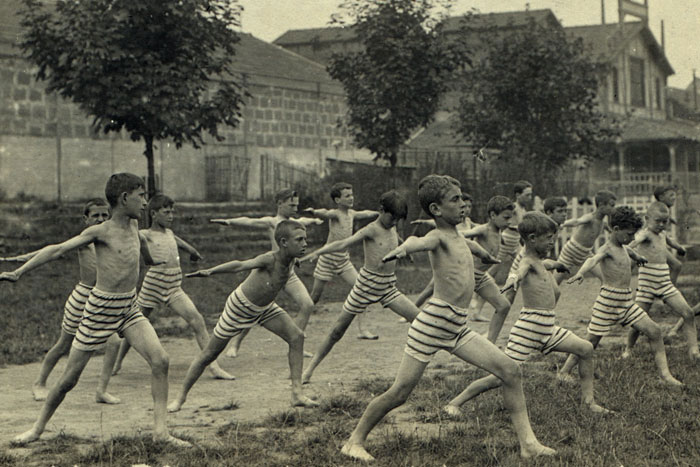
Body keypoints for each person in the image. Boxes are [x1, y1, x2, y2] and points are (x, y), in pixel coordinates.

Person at [340, 175, 555, 462]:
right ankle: (353, 441)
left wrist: (486, 257)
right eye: (455, 200)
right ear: (436, 210)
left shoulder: (458, 236)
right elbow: (419, 241)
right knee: (400, 392)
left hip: (456, 326)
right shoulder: (438, 236)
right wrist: (403, 249)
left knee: (510, 370)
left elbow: (470, 248)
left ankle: (528, 444)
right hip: (432, 325)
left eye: (463, 198)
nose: (463, 204)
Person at [2, 173, 188, 446]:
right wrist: (19, 272)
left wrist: (152, 262)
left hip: (128, 307)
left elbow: (142, 248)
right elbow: (57, 249)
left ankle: (160, 432)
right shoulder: (101, 231)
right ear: (125, 199)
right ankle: (37, 429)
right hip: (100, 309)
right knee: (69, 380)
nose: (146, 203)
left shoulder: (135, 228)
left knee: (161, 361)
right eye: (141, 196)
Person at [444, 212, 609, 418]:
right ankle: (454, 402)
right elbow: (521, 271)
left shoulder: (540, 261)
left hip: (548, 328)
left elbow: (546, 264)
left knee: (585, 349)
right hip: (528, 329)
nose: (552, 241)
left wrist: (557, 264)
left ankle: (589, 402)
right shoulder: (527, 261)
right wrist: (514, 278)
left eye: (553, 237)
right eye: (548, 238)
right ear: (532, 239)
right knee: (501, 375)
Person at [167, 220, 319, 412]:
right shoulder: (269, 259)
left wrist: (296, 257)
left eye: (305, 239)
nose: (305, 244)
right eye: (299, 240)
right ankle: (180, 398)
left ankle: (297, 394)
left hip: (264, 309)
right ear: (283, 242)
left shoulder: (291, 258)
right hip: (239, 308)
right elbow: (240, 265)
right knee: (209, 354)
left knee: (297, 337)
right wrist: (211, 271)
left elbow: (292, 261)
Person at [1, 199, 121, 403]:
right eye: (95, 216)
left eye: (104, 215)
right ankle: (39, 383)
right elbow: (52, 250)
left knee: (114, 342)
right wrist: (19, 266)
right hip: (83, 298)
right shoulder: (84, 240)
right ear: (86, 219)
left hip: (103, 299)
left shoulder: (112, 239)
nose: (101, 219)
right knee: (64, 344)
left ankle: (101, 390)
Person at [299, 190, 423, 384]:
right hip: (365, 285)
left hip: (388, 286)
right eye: (392, 218)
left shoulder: (392, 228)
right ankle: (309, 369)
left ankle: (420, 366)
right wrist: (316, 253)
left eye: (398, 220)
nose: (394, 223)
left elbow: (396, 239)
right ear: (381, 210)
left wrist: (405, 251)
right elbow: (343, 243)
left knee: (419, 320)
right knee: (337, 331)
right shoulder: (371, 229)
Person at [111, 194, 234, 380]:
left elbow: (177, 240)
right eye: (166, 212)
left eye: (172, 212)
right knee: (134, 324)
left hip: (174, 285)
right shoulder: (145, 234)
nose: (171, 216)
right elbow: (127, 236)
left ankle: (213, 366)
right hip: (153, 284)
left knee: (197, 320)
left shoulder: (169, 232)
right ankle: (118, 362)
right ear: (153, 214)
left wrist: (192, 250)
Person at [558, 206, 682, 386]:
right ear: (616, 230)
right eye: (630, 234)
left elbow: (630, 252)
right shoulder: (606, 248)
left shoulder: (624, 247)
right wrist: (581, 273)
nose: (632, 238)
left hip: (626, 302)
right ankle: (564, 371)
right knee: (591, 341)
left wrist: (638, 257)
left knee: (654, 331)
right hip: (607, 302)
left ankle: (666, 375)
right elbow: (592, 260)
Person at [210, 188, 322, 357]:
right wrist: (228, 221)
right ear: (279, 203)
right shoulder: (272, 221)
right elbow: (249, 221)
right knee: (254, 308)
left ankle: (296, 343)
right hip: (270, 274)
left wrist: (318, 221)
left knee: (307, 304)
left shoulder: (294, 224)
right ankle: (236, 344)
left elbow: (306, 220)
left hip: (288, 273)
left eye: (297, 205)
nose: (295, 208)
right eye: (291, 205)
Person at [622, 202, 700, 361]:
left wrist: (680, 248)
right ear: (647, 219)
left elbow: (670, 242)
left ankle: (694, 350)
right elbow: (633, 243)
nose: (661, 225)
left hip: (665, 284)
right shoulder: (645, 234)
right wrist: (627, 251)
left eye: (665, 221)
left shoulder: (662, 234)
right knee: (638, 321)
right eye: (657, 221)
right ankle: (628, 349)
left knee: (688, 313)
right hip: (647, 286)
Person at [303, 182, 380, 340]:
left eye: (352, 195)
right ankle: (299, 329)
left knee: (362, 289)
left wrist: (380, 212)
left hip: (344, 260)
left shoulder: (352, 214)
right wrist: (314, 212)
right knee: (314, 296)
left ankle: (363, 330)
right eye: (347, 196)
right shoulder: (336, 214)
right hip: (327, 259)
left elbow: (365, 213)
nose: (351, 198)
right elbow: (325, 213)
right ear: (338, 200)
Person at [471, 181, 533, 320]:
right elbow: (507, 223)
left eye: (531, 195)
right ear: (518, 195)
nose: (529, 198)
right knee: (490, 274)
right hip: (505, 243)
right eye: (527, 195)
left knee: (525, 266)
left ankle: (529, 299)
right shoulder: (514, 208)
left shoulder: (523, 209)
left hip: (515, 243)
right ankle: (476, 306)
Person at [458, 195, 515, 342]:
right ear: (493, 215)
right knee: (455, 312)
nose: (509, 222)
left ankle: (490, 342)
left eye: (510, 218)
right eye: (506, 218)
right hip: (468, 275)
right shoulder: (483, 229)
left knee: (503, 306)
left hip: (482, 276)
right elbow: (461, 235)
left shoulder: (499, 231)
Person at [502, 197, 569, 307]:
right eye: (560, 211)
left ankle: (545, 318)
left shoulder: (555, 227)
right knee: (508, 297)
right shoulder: (540, 225)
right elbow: (526, 236)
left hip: (540, 261)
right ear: (549, 213)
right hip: (525, 259)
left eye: (565, 211)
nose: (564, 214)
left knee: (555, 292)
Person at [552, 190, 617, 285]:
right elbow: (576, 221)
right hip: (570, 252)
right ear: (601, 205)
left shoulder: (603, 223)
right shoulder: (590, 217)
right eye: (611, 205)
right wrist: (561, 224)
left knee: (605, 279)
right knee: (554, 284)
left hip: (585, 254)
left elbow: (614, 232)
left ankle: (606, 299)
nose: (613, 208)